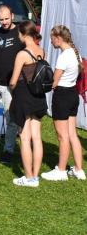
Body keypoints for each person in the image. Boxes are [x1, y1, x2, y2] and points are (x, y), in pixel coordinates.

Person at [41, 25, 85, 181]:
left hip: (62, 96)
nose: (51, 41)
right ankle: (79, 169)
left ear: (58, 38)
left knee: (62, 136)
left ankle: (60, 170)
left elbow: (54, 82)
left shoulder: (64, 56)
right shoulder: (76, 54)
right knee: (72, 134)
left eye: (52, 38)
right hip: (73, 95)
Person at [0, 5, 24, 164]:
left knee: (11, 119)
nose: (4, 22)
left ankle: (8, 150)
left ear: (12, 15)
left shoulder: (20, 33)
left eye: (7, 18)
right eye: (1, 20)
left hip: (11, 84)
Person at [9, 21, 48, 187]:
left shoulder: (22, 54)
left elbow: (13, 80)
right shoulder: (42, 51)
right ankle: (35, 176)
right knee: (37, 137)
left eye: (19, 33)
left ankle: (28, 176)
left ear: (24, 35)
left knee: (24, 137)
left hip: (24, 95)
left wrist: (11, 88)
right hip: (38, 95)